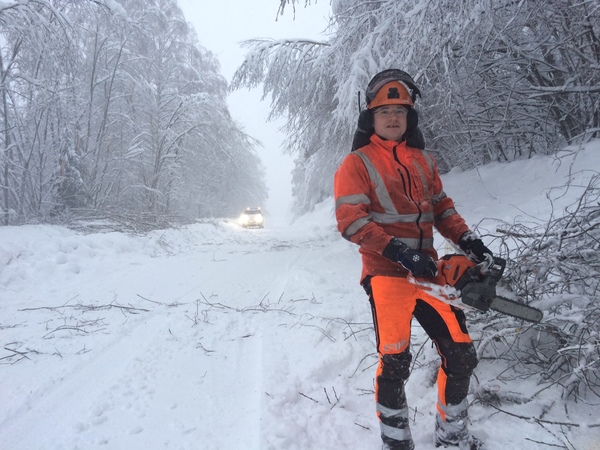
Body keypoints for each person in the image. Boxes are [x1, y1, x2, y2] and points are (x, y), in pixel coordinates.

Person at [333, 69, 493, 450]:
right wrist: (399, 253)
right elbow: (351, 221)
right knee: (395, 363)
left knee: (461, 355)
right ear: (371, 118)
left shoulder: (423, 161)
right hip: (387, 274)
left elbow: (442, 209)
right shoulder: (356, 163)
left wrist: (468, 239)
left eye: (400, 112)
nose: (393, 118)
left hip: (430, 272)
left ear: (410, 119)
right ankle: (396, 442)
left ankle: (452, 437)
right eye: (385, 111)